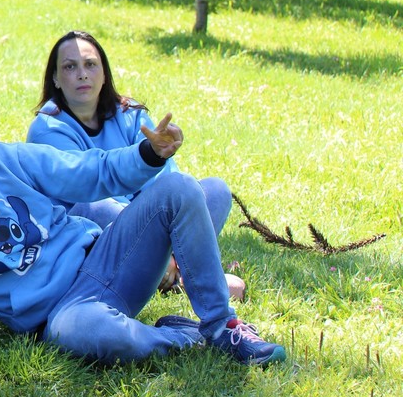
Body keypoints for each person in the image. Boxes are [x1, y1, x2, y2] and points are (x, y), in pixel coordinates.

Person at [0, 85, 285, 366]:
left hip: (105, 261)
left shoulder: (7, 161)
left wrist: (148, 153)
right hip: (64, 314)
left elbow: (88, 170)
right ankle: (186, 336)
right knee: (87, 332)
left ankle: (221, 327)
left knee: (179, 188)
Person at [26, 30, 245, 299]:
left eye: (90, 64)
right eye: (70, 67)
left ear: (104, 74)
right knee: (97, 207)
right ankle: (183, 271)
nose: (82, 74)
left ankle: (171, 269)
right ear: (56, 79)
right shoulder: (47, 128)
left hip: (148, 220)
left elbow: (165, 182)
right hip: (95, 234)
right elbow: (87, 188)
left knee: (215, 191)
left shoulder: (129, 114)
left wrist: (159, 158)